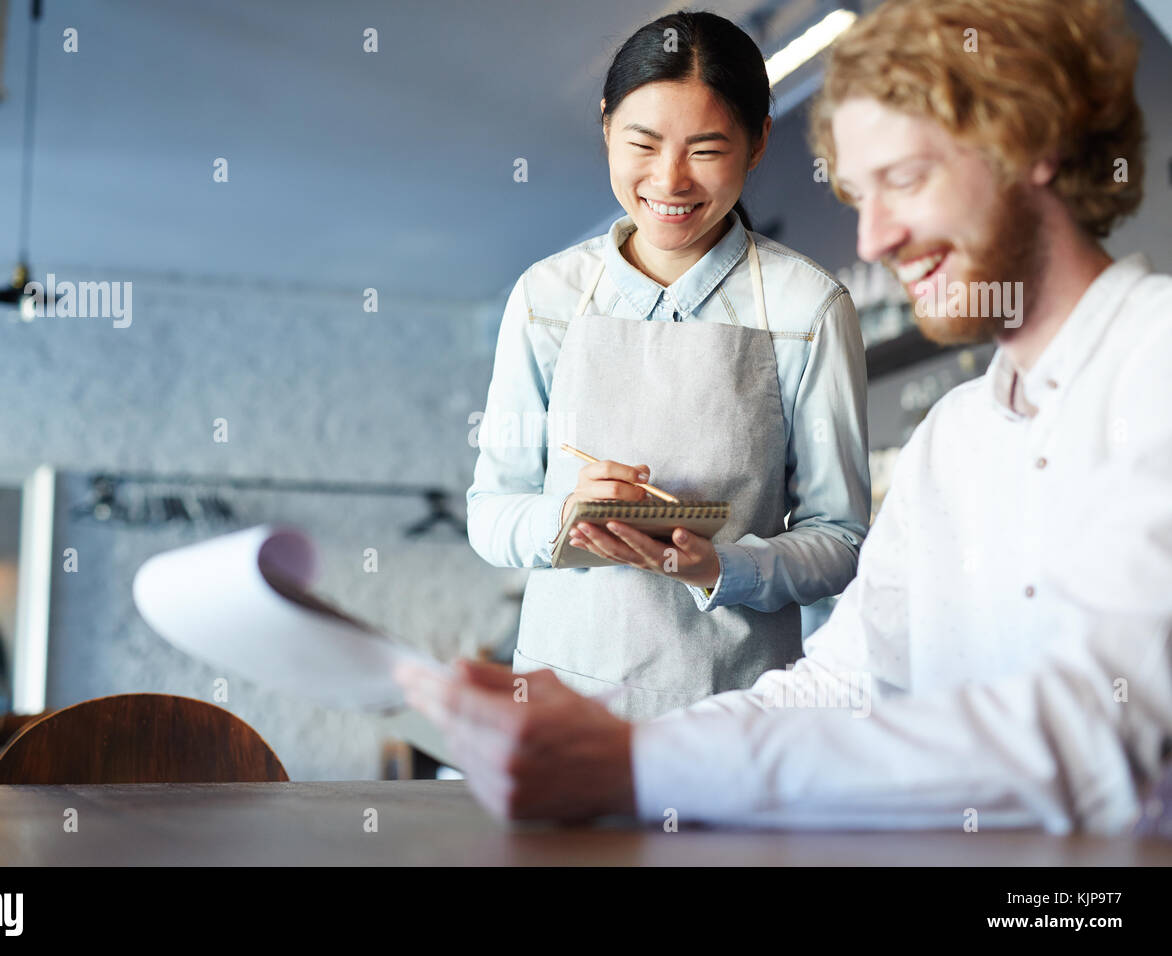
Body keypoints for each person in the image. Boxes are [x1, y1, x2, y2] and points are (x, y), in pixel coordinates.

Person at [400, 0, 1172, 832]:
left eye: (905, 179)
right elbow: (841, 685)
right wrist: (607, 748)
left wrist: (644, 760)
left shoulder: (1155, 362)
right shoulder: (956, 434)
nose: (871, 239)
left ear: (1036, 145)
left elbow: (1106, 736)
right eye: (857, 194)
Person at [465, 11, 871, 721]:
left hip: (730, 709)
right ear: (605, 127)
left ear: (758, 143)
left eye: (706, 149)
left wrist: (723, 566)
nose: (669, 180)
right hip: (563, 704)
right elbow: (490, 514)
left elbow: (840, 540)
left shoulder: (810, 309)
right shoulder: (547, 298)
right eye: (642, 143)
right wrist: (564, 518)